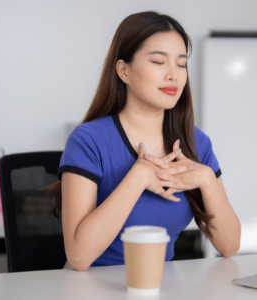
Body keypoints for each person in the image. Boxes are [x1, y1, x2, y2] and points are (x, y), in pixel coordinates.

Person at [48, 11, 240, 271]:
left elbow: (229, 246)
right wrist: (138, 178)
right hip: (91, 287)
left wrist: (206, 179)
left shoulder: (196, 143)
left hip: (159, 286)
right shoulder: (88, 141)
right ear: (124, 71)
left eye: (181, 64)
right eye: (159, 61)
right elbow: (79, 257)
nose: (173, 75)